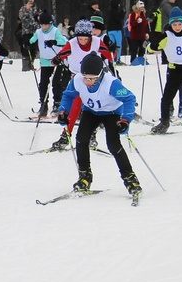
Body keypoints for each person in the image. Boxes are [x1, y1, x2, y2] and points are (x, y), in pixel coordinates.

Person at [58, 53, 142, 202]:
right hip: (91, 112)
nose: (88, 82)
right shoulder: (77, 80)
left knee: (113, 144)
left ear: (100, 75)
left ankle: (130, 179)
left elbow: (129, 99)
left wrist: (125, 120)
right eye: (85, 78)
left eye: (92, 79)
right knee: (81, 139)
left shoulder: (111, 83)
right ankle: (84, 177)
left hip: (112, 113)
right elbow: (68, 95)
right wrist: (63, 111)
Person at [49, 19, 116, 150]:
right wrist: (56, 60)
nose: (83, 42)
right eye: (81, 39)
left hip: (94, 79)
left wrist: (112, 51)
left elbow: (111, 56)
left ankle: (92, 135)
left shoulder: (97, 41)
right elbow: (59, 57)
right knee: (74, 108)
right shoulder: (72, 43)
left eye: (86, 39)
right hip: (78, 78)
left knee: (92, 107)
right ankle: (66, 136)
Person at [30, 11, 66, 117]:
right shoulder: (38, 32)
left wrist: (54, 42)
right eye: (42, 24)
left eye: (46, 24)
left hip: (56, 61)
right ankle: (43, 105)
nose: (44, 26)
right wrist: (27, 42)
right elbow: (32, 40)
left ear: (50, 24)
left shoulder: (55, 31)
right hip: (45, 62)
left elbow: (62, 41)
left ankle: (57, 104)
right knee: (43, 84)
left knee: (56, 83)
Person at [17, 0, 39, 71]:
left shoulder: (36, 9)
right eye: (29, 1)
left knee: (34, 49)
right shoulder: (23, 9)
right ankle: (25, 66)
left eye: (32, 1)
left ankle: (31, 64)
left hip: (35, 32)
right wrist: (27, 10)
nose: (31, 2)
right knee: (26, 48)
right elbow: (21, 17)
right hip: (26, 32)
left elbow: (39, 17)